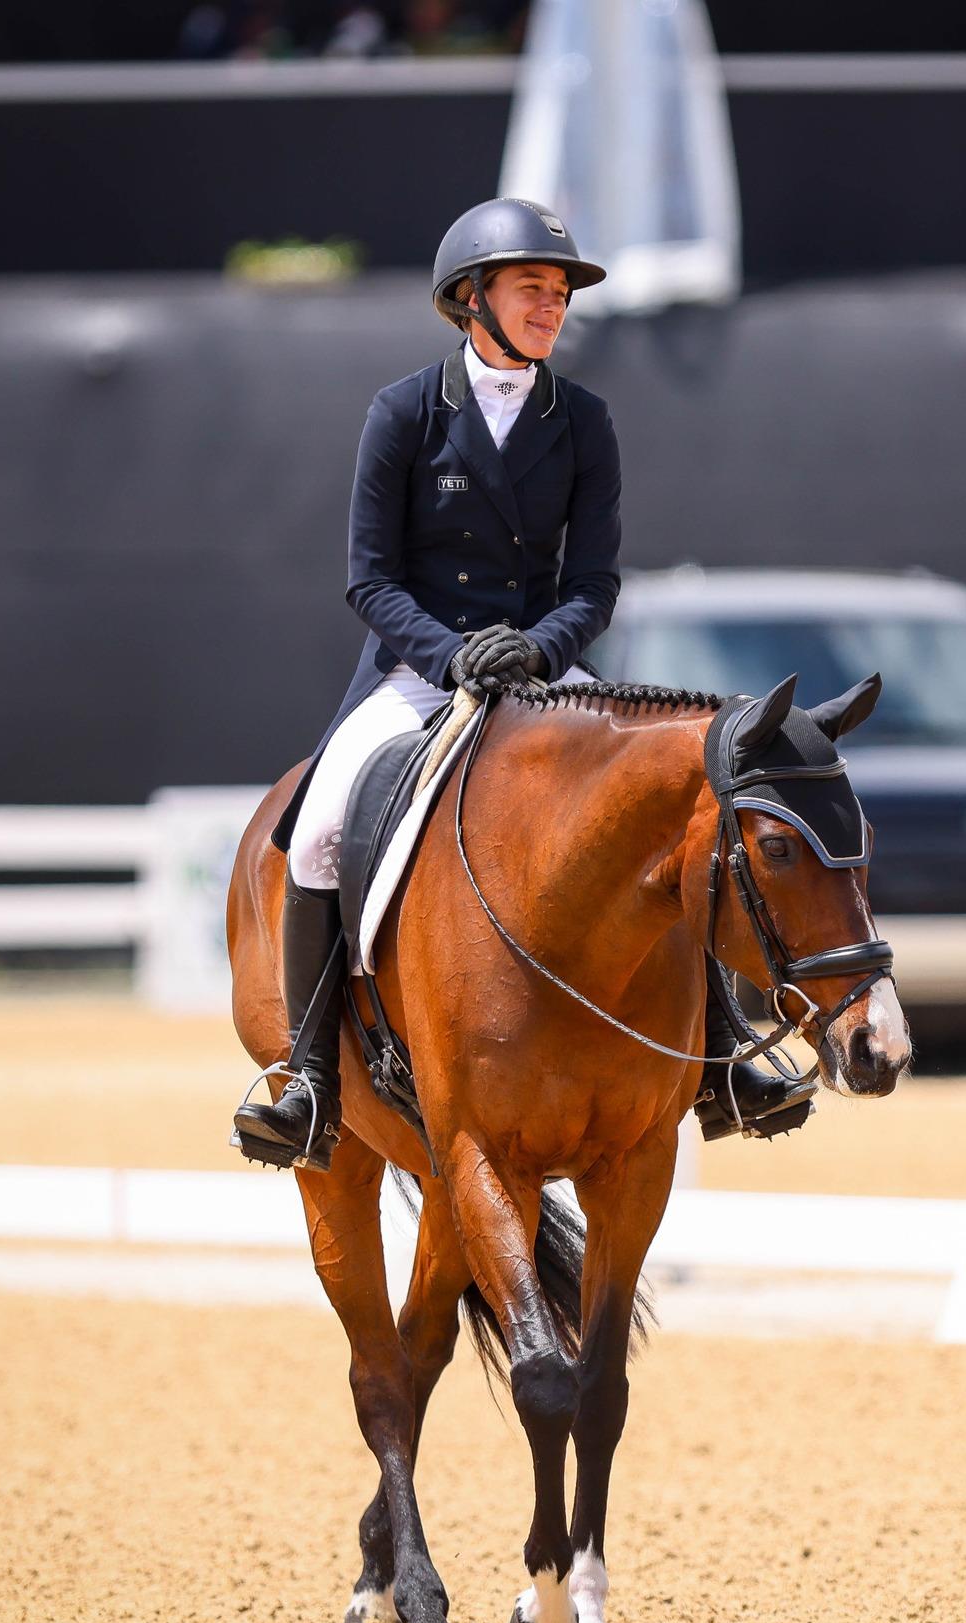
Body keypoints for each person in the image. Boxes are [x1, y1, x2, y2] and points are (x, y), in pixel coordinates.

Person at [232, 198, 808, 1170]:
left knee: (681, 806)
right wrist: (452, 655)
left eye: (557, 292)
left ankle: (726, 1062)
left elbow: (594, 581)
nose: (550, 307)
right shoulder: (404, 413)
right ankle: (307, 1078)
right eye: (531, 289)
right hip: (419, 669)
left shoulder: (581, 421)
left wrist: (539, 651)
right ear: (470, 299)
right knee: (321, 824)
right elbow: (369, 577)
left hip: (548, 666)